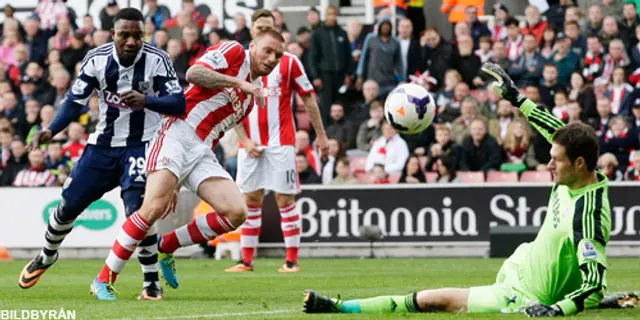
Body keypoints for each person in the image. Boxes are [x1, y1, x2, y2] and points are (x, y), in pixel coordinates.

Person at [303, 62, 619, 317]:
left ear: (579, 163)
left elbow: (594, 286)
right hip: (518, 267)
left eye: (557, 161)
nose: (549, 166)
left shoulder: (587, 216)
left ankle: (338, 307)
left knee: (431, 301)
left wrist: (555, 310)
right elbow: (552, 127)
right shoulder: (578, 164)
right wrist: (515, 97)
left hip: (519, 297)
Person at [91, 29, 286, 300]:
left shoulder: (251, 100)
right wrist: (239, 83)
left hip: (201, 150)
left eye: (278, 55)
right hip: (177, 132)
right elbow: (195, 73)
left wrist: (179, 179)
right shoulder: (233, 52)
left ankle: (167, 246)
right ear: (252, 46)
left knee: (236, 212)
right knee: (153, 208)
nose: (272, 58)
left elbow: (215, 131)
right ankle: (104, 279)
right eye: (267, 50)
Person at [18, 8, 186, 301]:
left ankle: (150, 283)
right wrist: (52, 129)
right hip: (103, 146)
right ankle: (46, 256)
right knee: (69, 204)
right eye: (125, 35)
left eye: (137, 35)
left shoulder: (158, 60)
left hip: (143, 145)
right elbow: (74, 100)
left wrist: (148, 101)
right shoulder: (96, 59)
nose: (132, 41)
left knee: (138, 212)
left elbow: (178, 103)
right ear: (113, 34)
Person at [225, 10, 327, 273]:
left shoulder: (290, 62)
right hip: (250, 145)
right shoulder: (239, 64)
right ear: (252, 31)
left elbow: (307, 99)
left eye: (268, 28)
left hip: (281, 142)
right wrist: (244, 140)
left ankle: (292, 261)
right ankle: (246, 261)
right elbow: (233, 106)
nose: (263, 31)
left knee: (285, 200)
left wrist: (321, 135)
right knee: (250, 201)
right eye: (259, 28)